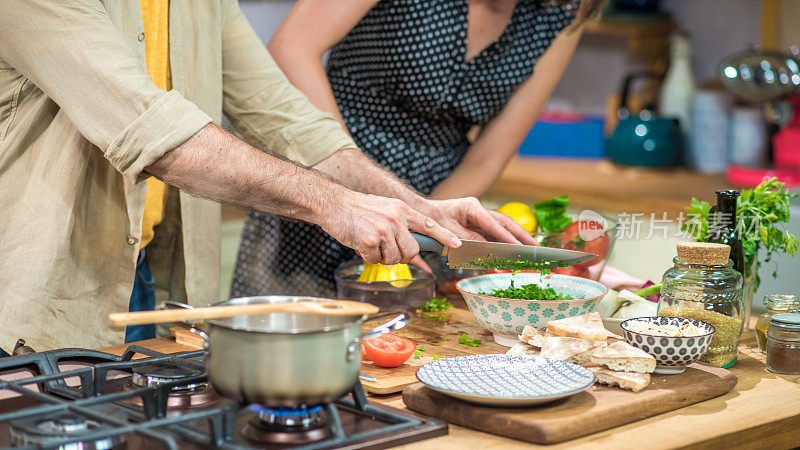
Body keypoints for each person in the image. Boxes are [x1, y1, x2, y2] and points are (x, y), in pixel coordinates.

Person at [0, 0, 535, 353]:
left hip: (150, 271)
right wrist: (334, 204)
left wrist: (420, 208)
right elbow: (154, 132)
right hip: (39, 284)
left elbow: (283, 116)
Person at [231, 0, 601, 297]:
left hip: (439, 200)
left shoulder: (563, 10)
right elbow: (292, 48)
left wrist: (423, 228)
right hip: (326, 168)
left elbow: (486, 158)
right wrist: (354, 195)